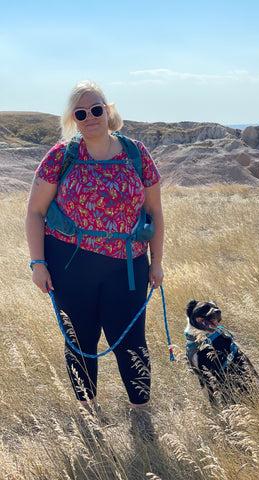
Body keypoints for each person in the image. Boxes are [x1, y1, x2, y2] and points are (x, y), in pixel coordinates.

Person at [25, 80, 164, 417]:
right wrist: (37, 263)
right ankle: (89, 413)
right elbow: (34, 211)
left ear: (108, 110)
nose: (91, 117)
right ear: (74, 118)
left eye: (96, 109)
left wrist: (157, 262)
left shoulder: (136, 153)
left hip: (127, 267)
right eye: (81, 112)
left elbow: (155, 212)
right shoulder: (61, 155)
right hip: (70, 264)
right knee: (80, 342)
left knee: (132, 342)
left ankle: (141, 414)